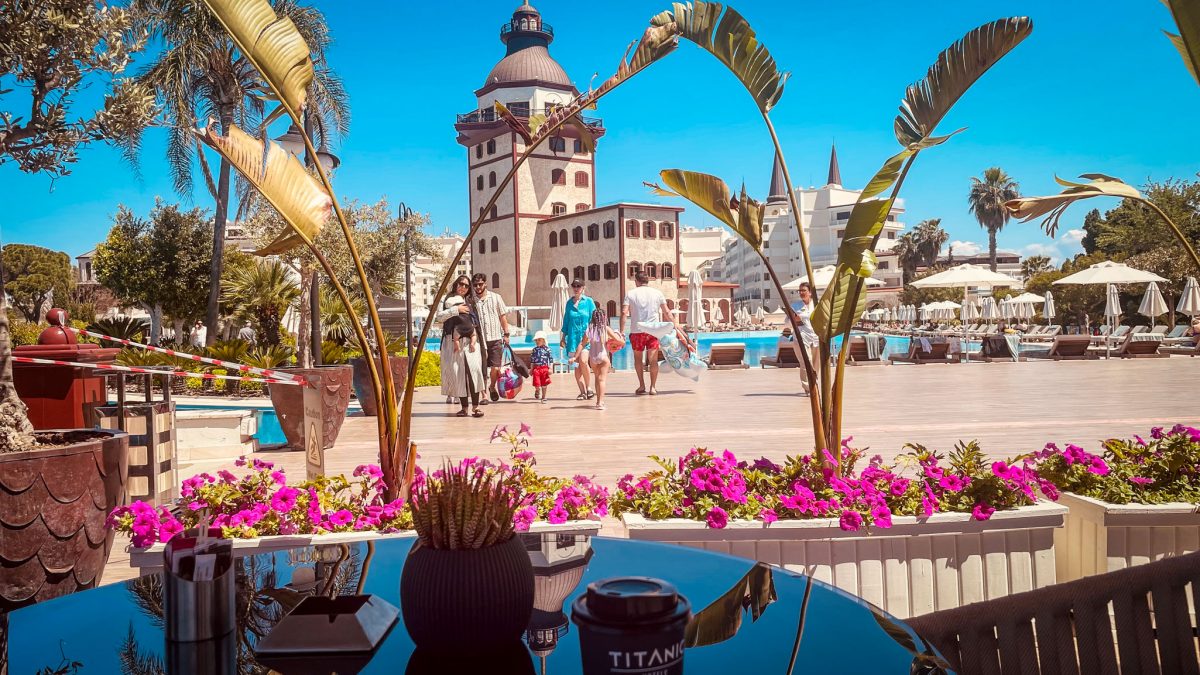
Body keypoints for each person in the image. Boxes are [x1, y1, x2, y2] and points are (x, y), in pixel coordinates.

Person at [434, 275, 486, 418]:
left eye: (466, 285)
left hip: (470, 341)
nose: (463, 287)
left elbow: (475, 321)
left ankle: (476, 407)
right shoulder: (446, 299)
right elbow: (438, 317)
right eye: (461, 284)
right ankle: (464, 407)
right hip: (453, 341)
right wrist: (456, 310)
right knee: (458, 374)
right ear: (456, 284)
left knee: (474, 371)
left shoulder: (471, 301)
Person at [621, 271, 675, 395]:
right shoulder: (657, 293)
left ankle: (641, 386)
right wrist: (675, 326)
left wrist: (622, 331)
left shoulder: (630, 294)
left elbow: (624, 312)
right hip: (653, 331)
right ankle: (653, 387)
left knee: (638, 360)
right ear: (647, 281)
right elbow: (667, 312)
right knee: (653, 360)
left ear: (636, 281)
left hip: (637, 331)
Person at [471, 272, 510, 403]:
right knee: (480, 368)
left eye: (480, 284)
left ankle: (492, 387)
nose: (478, 287)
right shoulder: (471, 300)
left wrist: (506, 334)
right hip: (480, 340)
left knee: (495, 368)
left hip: (495, 338)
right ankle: (484, 395)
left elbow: (502, 317)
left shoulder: (496, 297)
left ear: (485, 283)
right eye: (475, 285)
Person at [560, 278, 597, 401]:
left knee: (583, 361)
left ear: (583, 288)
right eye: (574, 286)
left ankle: (589, 388)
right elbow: (566, 321)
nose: (576, 288)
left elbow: (594, 318)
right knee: (577, 367)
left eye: (579, 286)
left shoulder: (589, 301)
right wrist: (563, 337)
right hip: (572, 340)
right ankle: (582, 392)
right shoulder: (569, 303)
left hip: (585, 339)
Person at [580, 308, 622, 410]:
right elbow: (619, 341)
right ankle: (600, 402)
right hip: (603, 357)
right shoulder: (605, 329)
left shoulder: (589, 329)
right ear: (604, 317)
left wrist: (575, 356)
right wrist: (621, 338)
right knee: (602, 380)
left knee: (596, 379)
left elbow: (582, 343)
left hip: (593, 358)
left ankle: (597, 401)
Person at [789, 282, 819, 396]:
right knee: (806, 363)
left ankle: (814, 384)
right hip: (801, 338)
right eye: (800, 291)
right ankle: (807, 387)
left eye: (804, 290)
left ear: (810, 292)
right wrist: (794, 319)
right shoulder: (795, 306)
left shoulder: (816, 305)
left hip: (816, 338)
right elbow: (786, 322)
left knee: (816, 364)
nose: (801, 293)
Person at [530, 331, 553, 403]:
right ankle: (537, 390)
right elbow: (532, 361)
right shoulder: (534, 350)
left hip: (544, 368)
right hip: (536, 369)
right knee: (537, 383)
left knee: (544, 383)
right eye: (536, 340)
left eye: (539, 340)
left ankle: (544, 397)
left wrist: (551, 368)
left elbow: (551, 360)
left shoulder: (547, 349)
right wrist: (531, 369)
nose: (537, 341)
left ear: (544, 340)